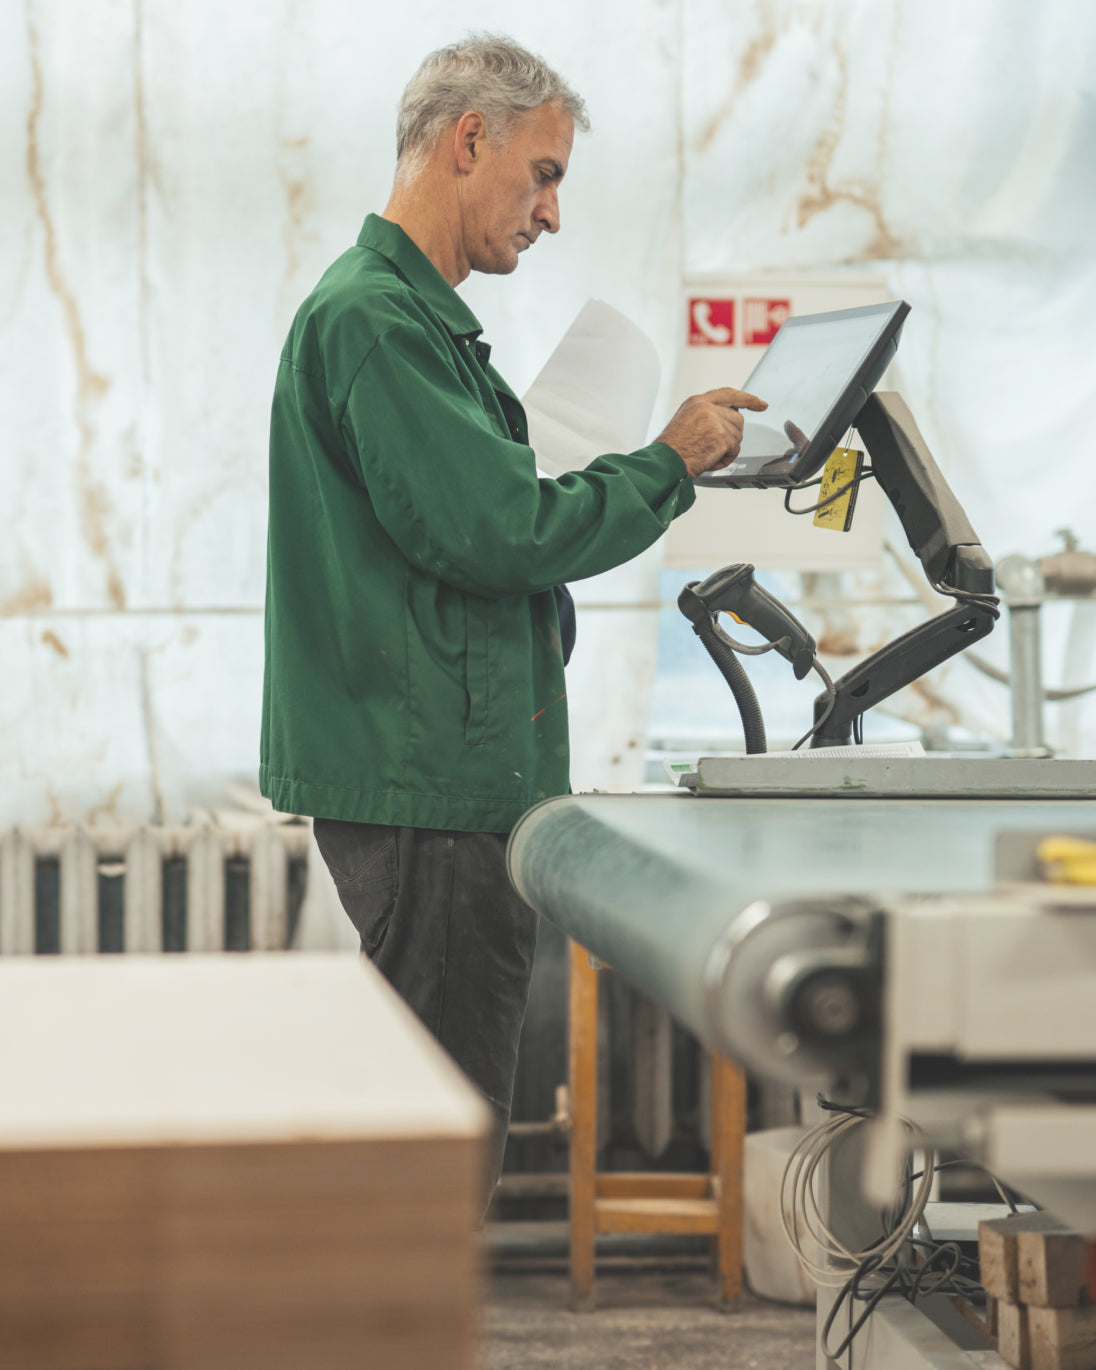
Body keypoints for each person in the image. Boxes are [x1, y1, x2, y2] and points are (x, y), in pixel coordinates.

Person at [260, 34, 765, 1194]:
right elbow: (500, 534)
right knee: (435, 1160)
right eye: (543, 174)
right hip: (428, 775)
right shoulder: (378, 323)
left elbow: (481, 513)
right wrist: (668, 463)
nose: (549, 213)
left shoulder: (414, 323)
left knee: (436, 1131)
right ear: (467, 140)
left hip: (444, 767)